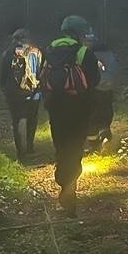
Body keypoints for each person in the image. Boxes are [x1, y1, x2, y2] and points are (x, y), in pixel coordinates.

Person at [40, 15, 101, 215]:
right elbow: (94, 79)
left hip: (55, 108)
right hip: (79, 109)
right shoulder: (83, 52)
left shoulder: (48, 50)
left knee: (61, 145)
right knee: (75, 149)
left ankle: (62, 178)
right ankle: (69, 191)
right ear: (78, 32)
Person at [0, 28, 43, 163]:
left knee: (17, 120)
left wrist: (5, 89)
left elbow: (3, 74)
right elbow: (41, 70)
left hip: (14, 93)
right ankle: (30, 148)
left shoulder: (8, 53)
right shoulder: (36, 51)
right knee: (32, 119)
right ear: (28, 38)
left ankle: (20, 153)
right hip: (34, 92)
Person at [83, 31, 118, 154]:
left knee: (92, 116)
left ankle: (94, 145)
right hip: (107, 89)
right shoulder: (110, 54)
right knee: (106, 113)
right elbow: (114, 71)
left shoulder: (86, 54)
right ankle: (105, 138)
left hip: (93, 90)